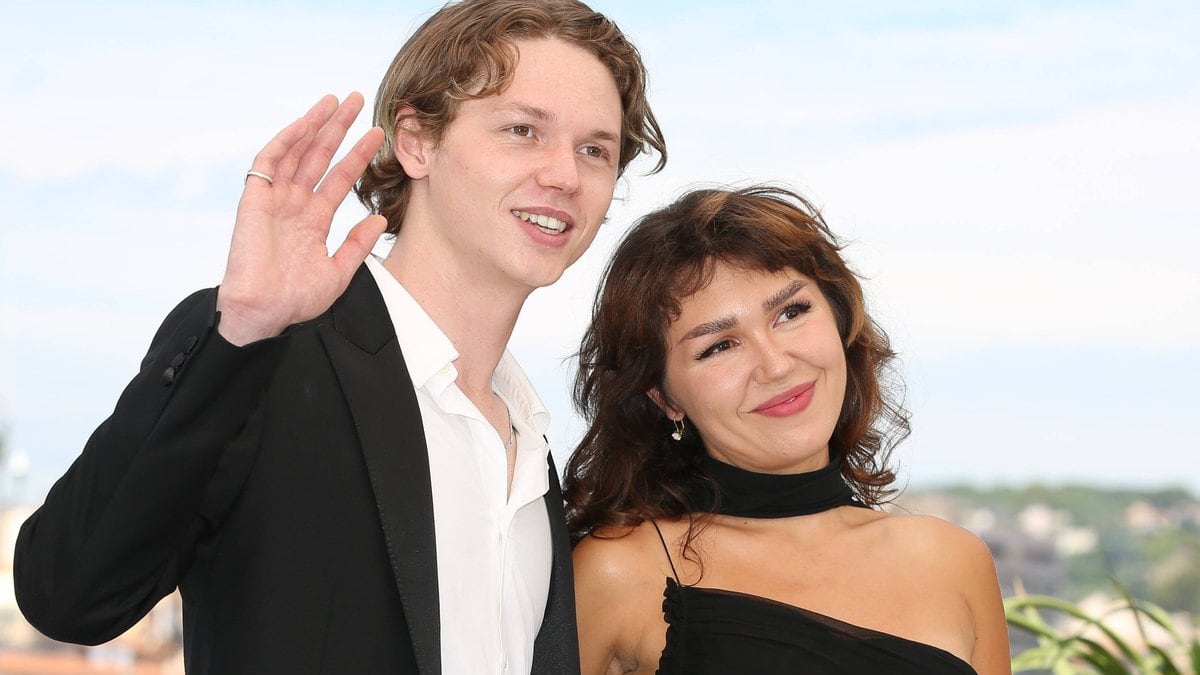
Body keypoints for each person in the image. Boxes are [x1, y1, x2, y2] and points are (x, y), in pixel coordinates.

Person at [14, 1, 665, 673]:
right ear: (414, 142)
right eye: (524, 130)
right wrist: (237, 338)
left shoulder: (528, 435)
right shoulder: (264, 355)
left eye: (595, 149)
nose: (565, 175)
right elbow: (67, 595)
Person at [566, 186, 1010, 674]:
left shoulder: (954, 561)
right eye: (719, 346)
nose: (775, 365)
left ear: (842, 321)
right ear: (664, 397)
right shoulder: (618, 571)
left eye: (791, 313)